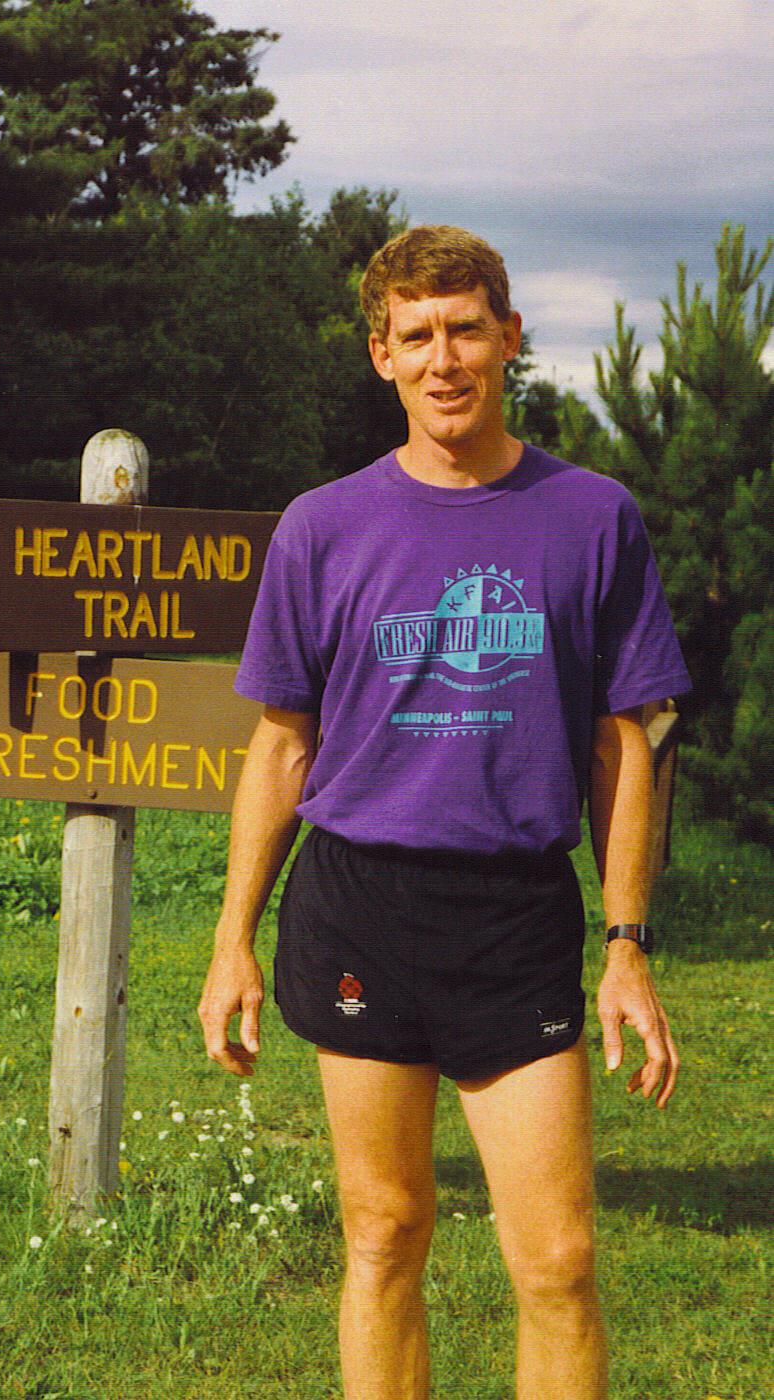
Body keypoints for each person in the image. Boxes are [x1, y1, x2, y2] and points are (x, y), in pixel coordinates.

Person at [197, 224, 691, 1400]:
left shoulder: (589, 515)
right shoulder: (322, 524)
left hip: (513, 912)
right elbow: (279, 747)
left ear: (507, 338)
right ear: (379, 355)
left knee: (560, 1261)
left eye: (465, 327)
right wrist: (232, 940)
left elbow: (626, 741)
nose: (443, 357)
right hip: (358, 902)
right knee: (383, 1233)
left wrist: (624, 945)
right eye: (414, 334)